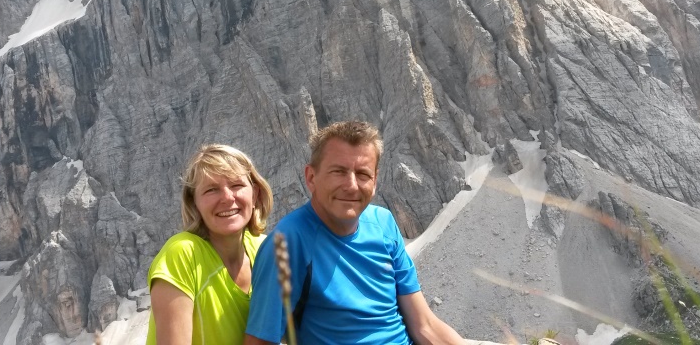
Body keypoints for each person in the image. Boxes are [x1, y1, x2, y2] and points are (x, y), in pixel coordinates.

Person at [245, 121, 464, 344]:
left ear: (375, 181)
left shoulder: (384, 223)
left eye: (362, 174)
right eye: (338, 172)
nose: (351, 186)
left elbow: (424, 325)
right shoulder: (288, 243)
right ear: (311, 177)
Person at [147, 143, 273, 345]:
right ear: (194, 203)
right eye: (212, 190)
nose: (227, 198)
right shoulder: (182, 254)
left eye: (237, 185)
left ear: (255, 193)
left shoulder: (265, 250)